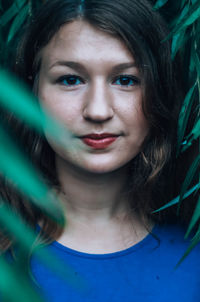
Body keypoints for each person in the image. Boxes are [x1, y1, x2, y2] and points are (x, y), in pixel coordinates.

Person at [1, 0, 200, 301]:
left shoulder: (193, 253)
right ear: (33, 91)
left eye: (125, 80)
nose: (97, 110)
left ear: (158, 93)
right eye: (70, 79)